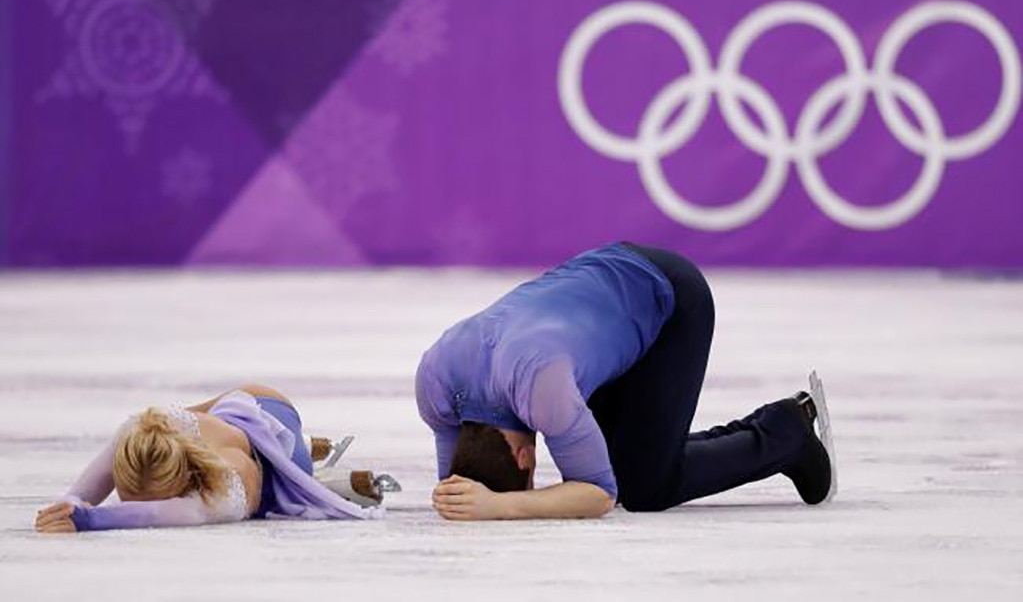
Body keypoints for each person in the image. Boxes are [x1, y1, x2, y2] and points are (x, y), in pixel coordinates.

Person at [417, 242, 836, 520]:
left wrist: (503, 506)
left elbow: (601, 494)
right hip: (601, 281)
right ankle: (776, 428)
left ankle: (785, 433)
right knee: (630, 463)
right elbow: (453, 485)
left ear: (526, 459)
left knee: (645, 488)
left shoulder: (541, 389)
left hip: (671, 300)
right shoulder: (434, 379)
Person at [35, 384, 397, 533]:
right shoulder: (143, 432)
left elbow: (166, 513)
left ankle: (299, 447)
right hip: (237, 404)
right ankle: (298, 440)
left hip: (268, 413)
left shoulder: (228, 481)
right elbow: (83, 489)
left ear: (188, 481)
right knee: (162, 415)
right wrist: (68, 504)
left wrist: (90, 519)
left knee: (282, 492)